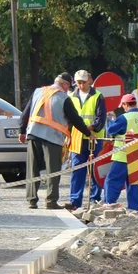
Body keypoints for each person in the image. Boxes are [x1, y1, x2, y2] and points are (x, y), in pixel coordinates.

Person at [19, 72, 94, 209]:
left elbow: (26, 112)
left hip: (33, 133)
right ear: (64, 84)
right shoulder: (63, 97)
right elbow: (75, 119)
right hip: (52, 137)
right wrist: (88, 133)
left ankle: (31, 200)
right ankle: (51, 201)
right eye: (68, 86)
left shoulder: (38, 91)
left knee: (32, 168)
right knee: (53, 170)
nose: (69, 89)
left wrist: (22, 131)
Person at [101, 94, 138, 212]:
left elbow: (111, 130)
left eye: (123, 106)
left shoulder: (125, 118)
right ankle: (135, 208)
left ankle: (110, 203)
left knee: (113, 180)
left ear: (125, 104)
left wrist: (111, 119)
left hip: (123, 156)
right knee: (134, 183)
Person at [64, 70, 106, 212]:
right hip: (77, 138)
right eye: (78, 82)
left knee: (95, 169)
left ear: (90, 80)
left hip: (94, 137)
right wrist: (67, 134)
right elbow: (68, 119)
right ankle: (75, 200)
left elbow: (101, 117)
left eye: (83, 82)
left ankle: (95, 199)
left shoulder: (98, 96)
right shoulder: (71, 97)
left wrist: (91, 127)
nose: (81, 85)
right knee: (77, 169)